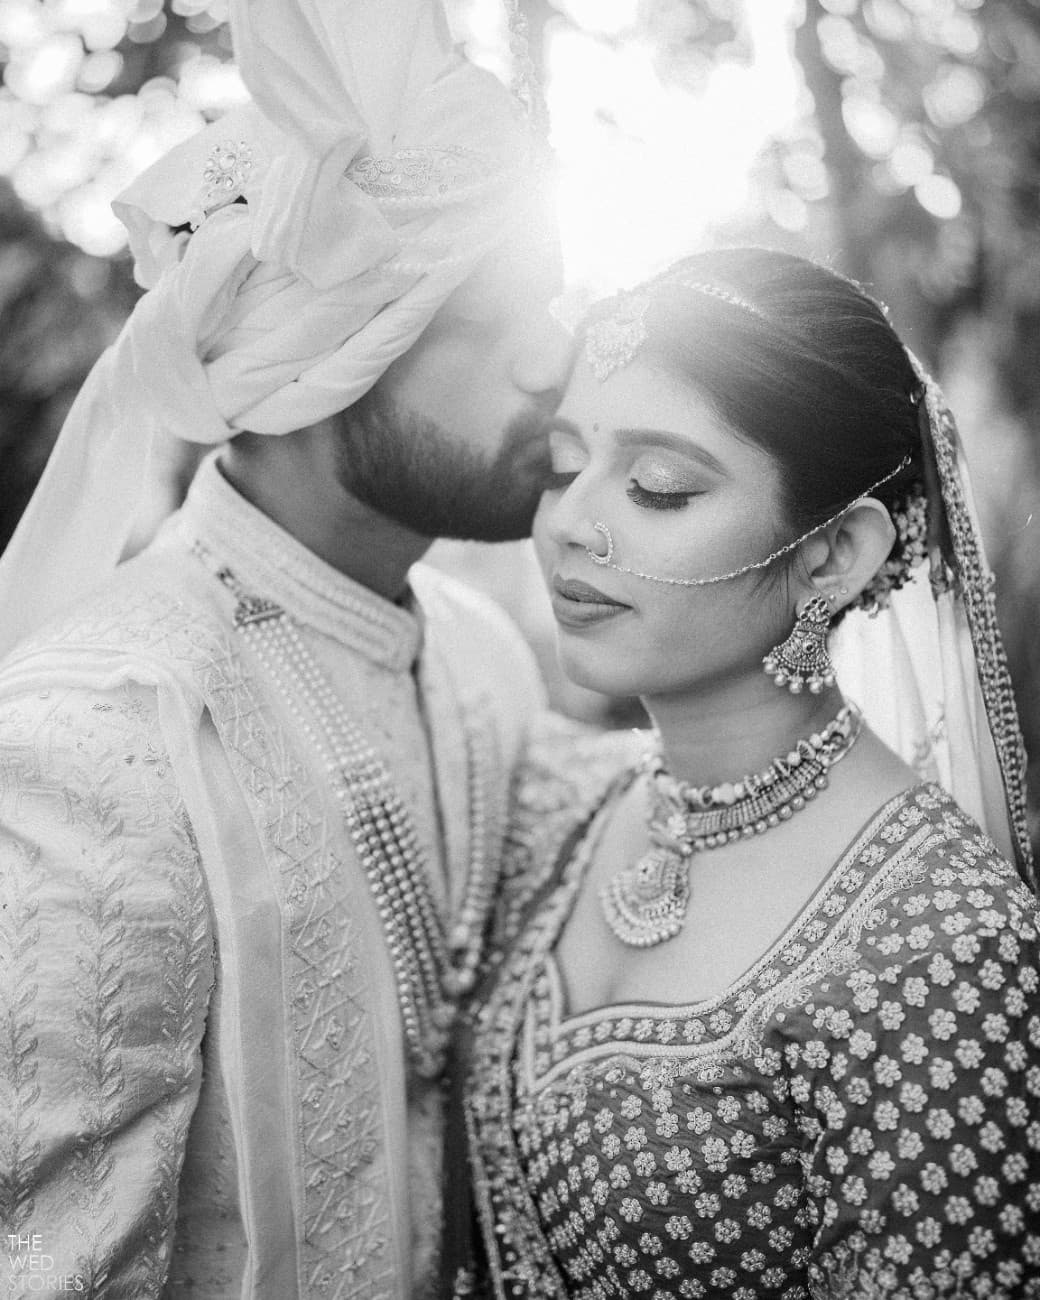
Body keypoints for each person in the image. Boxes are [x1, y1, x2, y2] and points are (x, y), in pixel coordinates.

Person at [0, 0, 571, 1296]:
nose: (555, 356)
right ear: (311, 354)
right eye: (485, 308)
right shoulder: (98, 742)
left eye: (552, 296)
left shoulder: (483, 658)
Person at [459, 248, 1040, 1298]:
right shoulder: (570, 800)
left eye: (655, 485)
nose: (566, 524)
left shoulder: (946, 953)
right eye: (561, 465)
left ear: (831, 555)